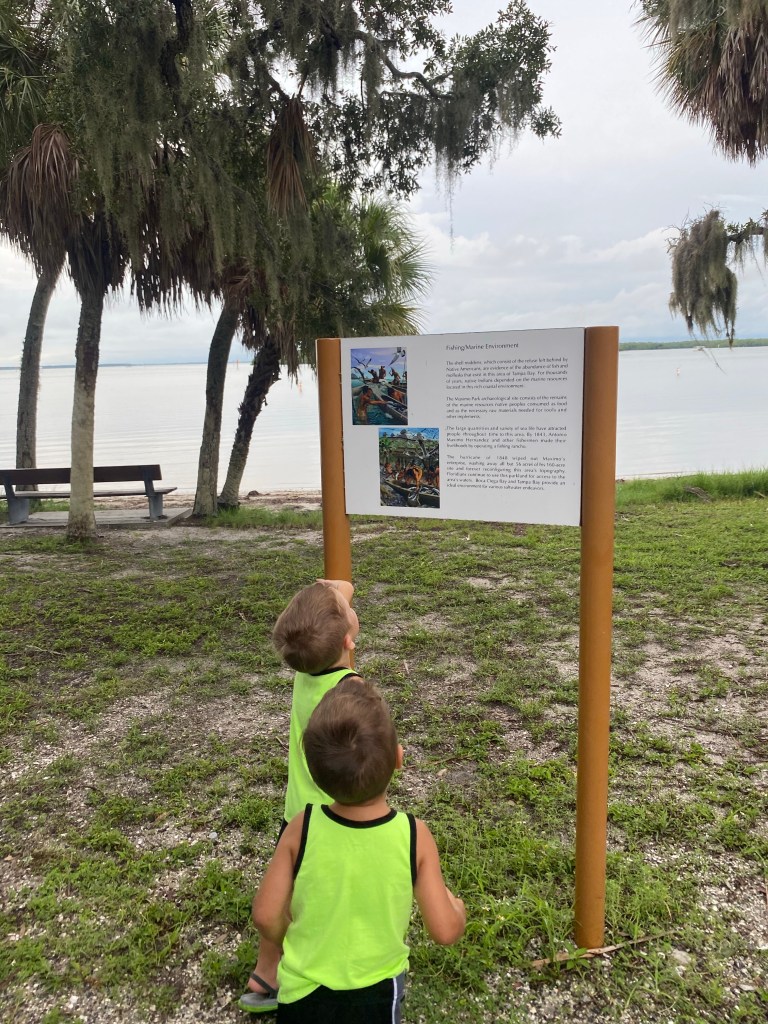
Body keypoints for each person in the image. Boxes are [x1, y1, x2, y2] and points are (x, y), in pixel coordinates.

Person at [251, 678, 466, 1022]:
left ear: (314, 773)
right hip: (376, 994)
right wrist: (457, 908)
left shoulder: (301, 827)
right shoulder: (414, 835)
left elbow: (265, 915)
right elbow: (445, 930)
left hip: (302, 993)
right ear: (399, 759)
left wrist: (290, 936)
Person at [239, 579, 361, 1014]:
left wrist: (331, 602)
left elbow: (337, 597)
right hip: (337, 814)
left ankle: (265, 972)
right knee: (330, 895)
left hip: (297, 816)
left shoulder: (303, 674)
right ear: (348, 641)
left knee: (287, 893)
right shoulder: (352, 689)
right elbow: (344, 587)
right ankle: (324, 970)